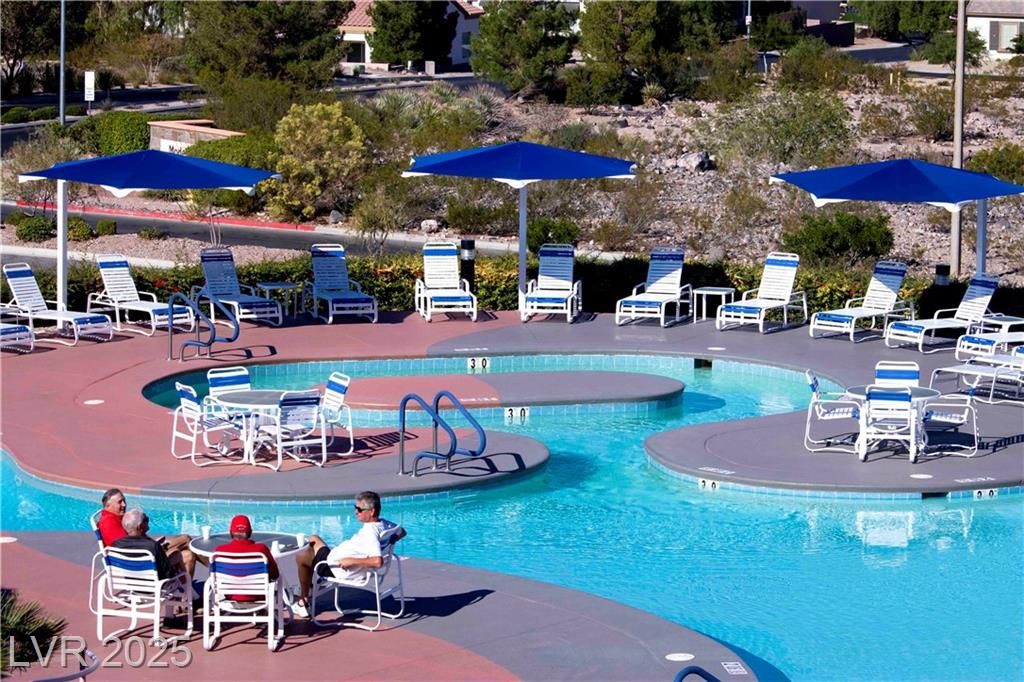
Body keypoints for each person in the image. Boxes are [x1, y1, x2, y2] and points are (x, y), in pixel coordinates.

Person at [292, 491, 406, 617]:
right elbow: (402, 532)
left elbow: (377, 561)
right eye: (355, 508)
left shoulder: (370, 532)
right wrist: (388, 544)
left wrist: (351, 561)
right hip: (335, 558)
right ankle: (309, 586)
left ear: (372, 511)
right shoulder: (385, 524)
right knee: (314, 538)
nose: (356, 512)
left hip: (335, 567)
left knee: (301, 557)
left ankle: (303, 601)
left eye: (359, 509)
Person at [96, 488, 202, 576]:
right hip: (143, 562)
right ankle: (209, 569)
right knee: (186, 543)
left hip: (143, 557)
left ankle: (188, 591)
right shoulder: (108, 523)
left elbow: (131, 542)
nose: (124, 504)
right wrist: (154, 547)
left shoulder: (114, 518)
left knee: (187, 548)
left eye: (124, 500)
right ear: (108, 505)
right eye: (120, 502)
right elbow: (127, 548)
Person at [212, 515, 279, 602]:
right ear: (250, 532)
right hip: (258, 595)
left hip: (230, 594)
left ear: (230, 533)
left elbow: (214, 576)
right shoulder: (261, 549)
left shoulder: (220, 551)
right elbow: (275, 575)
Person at [111, 508, 180, 582]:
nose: (148, 521)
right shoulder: (152, 546)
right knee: (181, 554)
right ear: (140, 526)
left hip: (130, 583)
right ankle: (186, 585)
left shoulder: (116, 545)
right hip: (155, 585)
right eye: (146, 520)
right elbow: (167, 573)